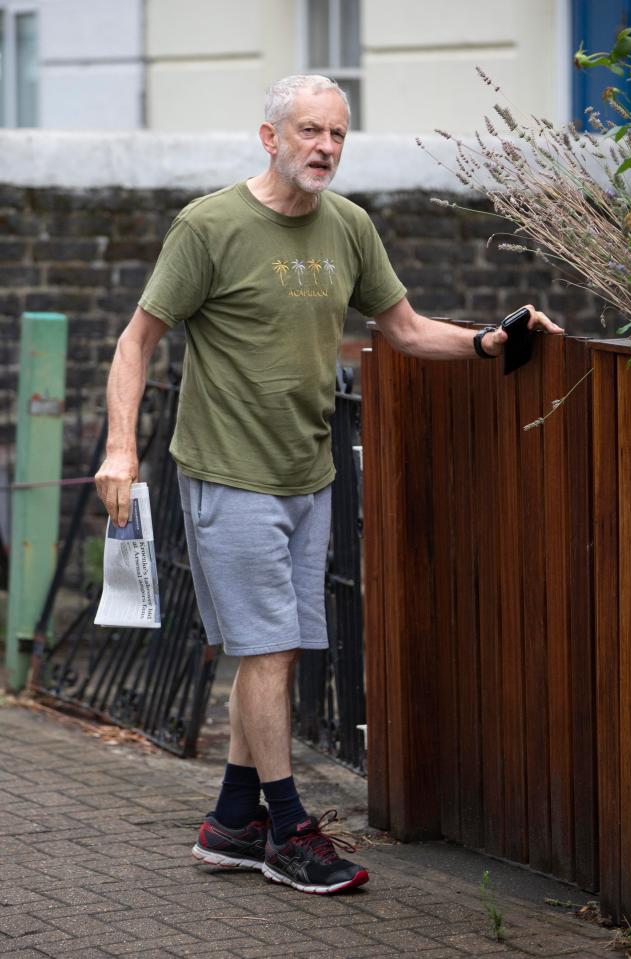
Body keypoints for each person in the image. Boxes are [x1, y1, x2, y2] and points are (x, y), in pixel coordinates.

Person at [95, 74, 563, 896]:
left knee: (268, 652)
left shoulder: (348, 228)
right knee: (268, 650)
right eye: (309, 131)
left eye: (337, 134)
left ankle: (233, 824)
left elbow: (408, 330)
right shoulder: (207, 226)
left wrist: (493, 342)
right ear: (269, 137)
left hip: (306, 475)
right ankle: (288, 828)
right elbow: (136, 342)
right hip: (228, 472)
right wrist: (120, 451)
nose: (324, 147)